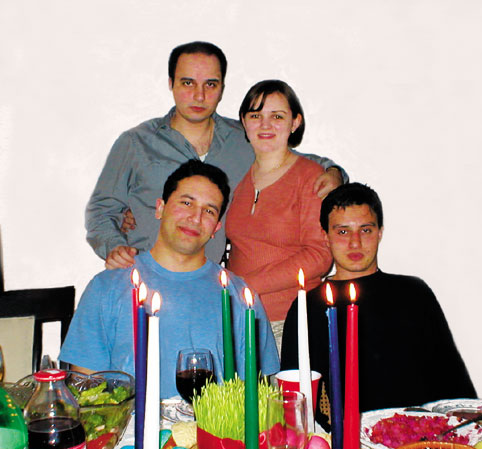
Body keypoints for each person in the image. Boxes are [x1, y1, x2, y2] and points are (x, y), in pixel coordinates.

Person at [86, 41, 345, 270]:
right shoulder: (136, 143)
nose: (200, 95)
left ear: (222, 87)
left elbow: (291, 161)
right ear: (170, 84)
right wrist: (116, 247)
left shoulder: (244, 139)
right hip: (144, 280)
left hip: (212, 288)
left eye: (211, 84)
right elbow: (101, 211)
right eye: (188, 83)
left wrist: (333, 172)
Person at [60, 160, 280, 399]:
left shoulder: (241, 296)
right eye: (186, 203)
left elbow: (259, 394)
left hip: (213, 433)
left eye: (209, 210)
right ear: (160, 208)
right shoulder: (107, 287)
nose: (195, 218)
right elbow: (88, 394)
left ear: (216, 227)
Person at [280, 182, 477, 429]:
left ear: (380, 232)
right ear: (325, 235)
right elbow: (297, 400)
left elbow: (453, 381)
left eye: (365, 230)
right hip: (348, 446)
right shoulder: (309, 306)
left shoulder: (414, 293)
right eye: (342, 232)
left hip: (424, 441)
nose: (355, 243)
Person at [226, 80, 333, 352]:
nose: (265, 125)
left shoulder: (310, 178)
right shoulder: (238, 178)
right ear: (244, 122)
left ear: (295, 122)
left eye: (277, 116)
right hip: (243, 316)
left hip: (291, 320)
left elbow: (320, 256)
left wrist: (251, 284)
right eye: (255, 116)